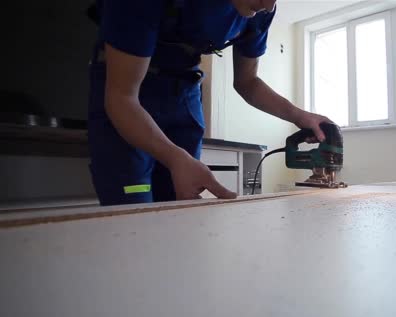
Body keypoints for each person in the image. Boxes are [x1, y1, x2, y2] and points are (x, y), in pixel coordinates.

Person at [88, 0, 332, 206]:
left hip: (185, 91)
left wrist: (299, 116)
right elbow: (122, 97)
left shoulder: (260, 11)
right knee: (133, 207)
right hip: (129, 95)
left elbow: (248, 82)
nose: (268, 5)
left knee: (179, 205)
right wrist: (175, 158)